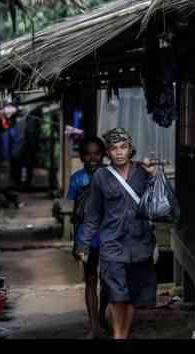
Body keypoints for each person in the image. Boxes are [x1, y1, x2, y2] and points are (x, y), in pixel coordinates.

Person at [76, 128, 158, 340]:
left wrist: (155, 176)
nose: (119, 152)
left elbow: (161, 203)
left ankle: (123, 333)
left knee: (130, 296)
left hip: (139, 243)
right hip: (112, 244)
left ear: (131, 150)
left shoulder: (142, 173)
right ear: (108, 153)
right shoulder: (101, 177)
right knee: (116, 294)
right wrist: (82, 245)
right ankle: (118, 335)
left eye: (123, 147)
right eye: (114, 148)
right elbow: (92, 214)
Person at [67, 136, 108, 339]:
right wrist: (76, 242)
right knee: (91, 280)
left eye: (97, 153)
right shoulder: (77, 179)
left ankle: (101, 316)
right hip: (87, 236)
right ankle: (94, 325)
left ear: (103, 155)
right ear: (82, 156)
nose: (92, 158)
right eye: (88, 154)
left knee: (108, 280)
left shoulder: (111, 176)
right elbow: (75, 213)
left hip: (109, 234)